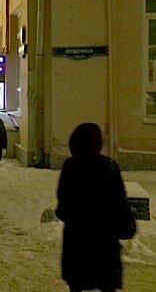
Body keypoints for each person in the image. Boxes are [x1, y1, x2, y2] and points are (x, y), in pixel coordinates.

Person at [56, 123, 136, 292]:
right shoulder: (108, 167)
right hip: (104, 244)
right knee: (106, 285)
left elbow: (63, 206)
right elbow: (119, 202)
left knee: (77, 285)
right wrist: (125, 226)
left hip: (77, 243)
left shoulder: (71, 166)